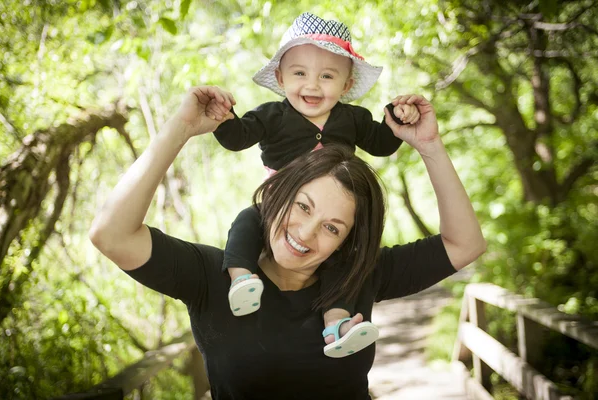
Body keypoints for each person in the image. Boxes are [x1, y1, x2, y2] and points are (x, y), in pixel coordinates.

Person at [89, 86, 486, 399]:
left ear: (348, 239)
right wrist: (180, 127)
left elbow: (465, 244)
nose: (306, 232)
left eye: (333, 228)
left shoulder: (359, 273)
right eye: (302, 206)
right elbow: (112, 234)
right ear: (278, 191)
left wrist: (430, 147)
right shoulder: (212, 276)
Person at [203, 12, 421, 357]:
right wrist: (223, 117)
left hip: (330, 213)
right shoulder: (271, 115)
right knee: (247, 221)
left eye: (327, 76)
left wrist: (396, 118)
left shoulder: (353, 118)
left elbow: (382, 144)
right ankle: (242, 278)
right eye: (300, 73)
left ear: (346, 85)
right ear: (280, 76)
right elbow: (237, 138)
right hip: (279, 206)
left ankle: (337, 323)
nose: (312, 85)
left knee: (342, 259)